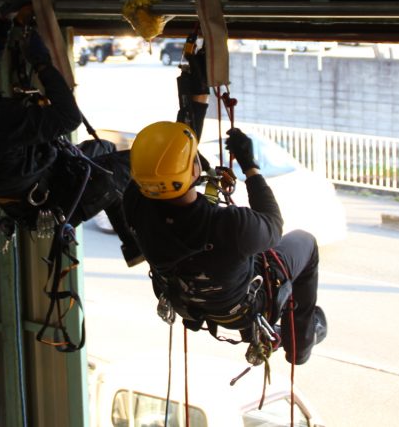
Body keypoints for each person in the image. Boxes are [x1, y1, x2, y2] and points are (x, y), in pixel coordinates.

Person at [0, 13, 143, 266]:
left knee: (104, 148)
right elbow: (69, 118)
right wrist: (43, 65)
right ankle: (148, 244)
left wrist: (4, 23)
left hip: (35, 188)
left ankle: (132, 244)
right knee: (137, 162)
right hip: (53, 200)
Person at [123, 122, 327, 366]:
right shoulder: (229, 225)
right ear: (193, 171)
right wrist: (250, 166)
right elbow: (273, 225)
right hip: (240, 309)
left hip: (184, 300)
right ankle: (300, 345)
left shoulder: (133, 202)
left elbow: (162, 176)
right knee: (306, 242)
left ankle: (281, 337)